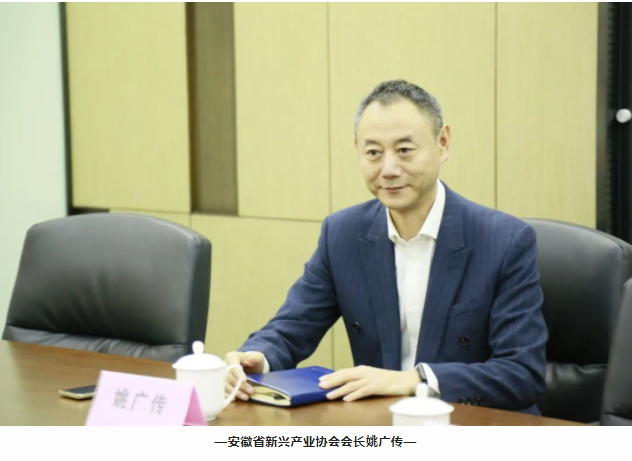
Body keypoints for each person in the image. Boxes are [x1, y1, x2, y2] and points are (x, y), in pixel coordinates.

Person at [224, 80, 548, 414]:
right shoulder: (343, 234)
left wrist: (415, 381)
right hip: (385, 426)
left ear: (442, 143)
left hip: (474, 425)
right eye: (373, 153)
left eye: (405, 150)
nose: (389, 170)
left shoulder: (504, 241)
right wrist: (258, 356)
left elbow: (522, 373)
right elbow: (289, 329)